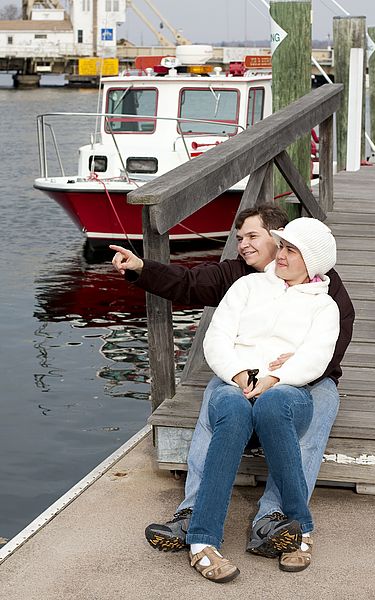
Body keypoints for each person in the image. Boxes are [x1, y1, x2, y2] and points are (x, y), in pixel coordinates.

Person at [110, 204, 355, 572]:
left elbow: (329, 347)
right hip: (241, 373)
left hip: (308, 378)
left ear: (279, 238)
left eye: (252, 236)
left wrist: (288, 367)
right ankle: (192, 512)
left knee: (312, 415)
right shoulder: (241, 279)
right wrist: (143, 268)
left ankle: (277, 519)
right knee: (218, 405)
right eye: (239, 238)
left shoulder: (326, 290)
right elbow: (189, 286)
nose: (243, 245)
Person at [183, 216, 340, 582]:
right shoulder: (247, 286)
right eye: (281, 246)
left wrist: (273, 378)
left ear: (312, 260)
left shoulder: (324, 306)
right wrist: (239, 373)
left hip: (288, 392)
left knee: (274, 404)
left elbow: (316, 357)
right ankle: (202, 541)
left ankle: (298, 528)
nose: (279, 254)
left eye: (291, 250)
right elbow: (217, 337)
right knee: (234, 409)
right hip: (234, 383)